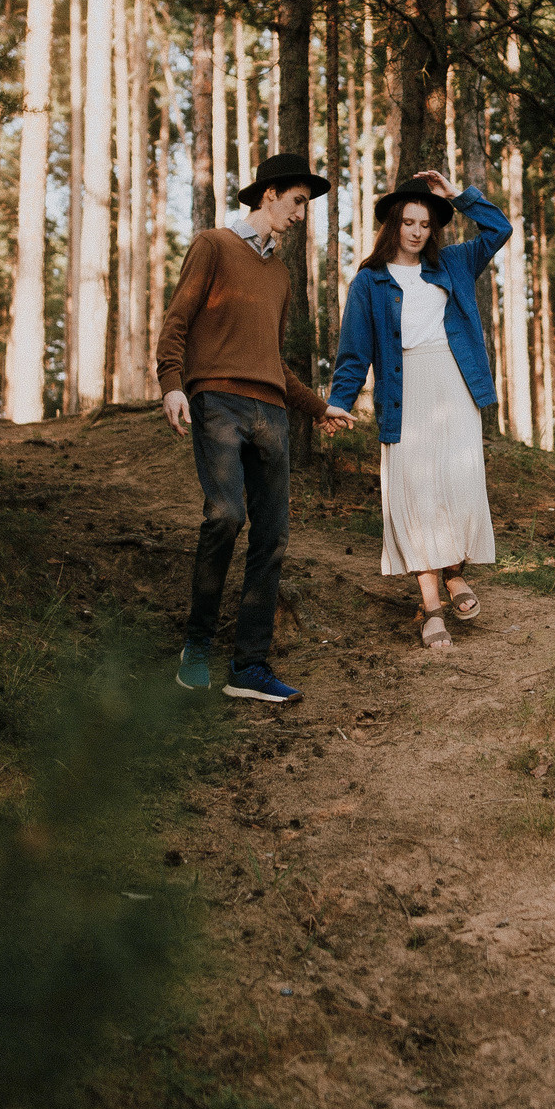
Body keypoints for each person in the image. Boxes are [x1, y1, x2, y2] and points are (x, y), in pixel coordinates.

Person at [157, 151, 339, 702]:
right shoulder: (213, 246)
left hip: (272, 415)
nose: (303, 214)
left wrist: (316, 407)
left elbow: (274, 359)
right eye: (299, 202)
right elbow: (177, 322)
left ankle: (249, 667)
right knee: (225, 515)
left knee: (273, 535)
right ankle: (196, 645)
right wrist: (171, 383)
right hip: (218, 403)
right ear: (269, 195)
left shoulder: (280, 274)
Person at [324, 169, 514, 651]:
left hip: (454, 386)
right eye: (408, 222)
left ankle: (455, 575)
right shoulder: (369, 281)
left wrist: (459, 196)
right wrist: (338, 402)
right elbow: (354, 351)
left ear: (434, 229)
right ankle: (431, 608)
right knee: (415, 493)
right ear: (392, 224)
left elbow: (500, 230)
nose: (416, 231)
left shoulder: (454, 263)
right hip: (402, 392)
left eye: (425, 224)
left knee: (458, 487)